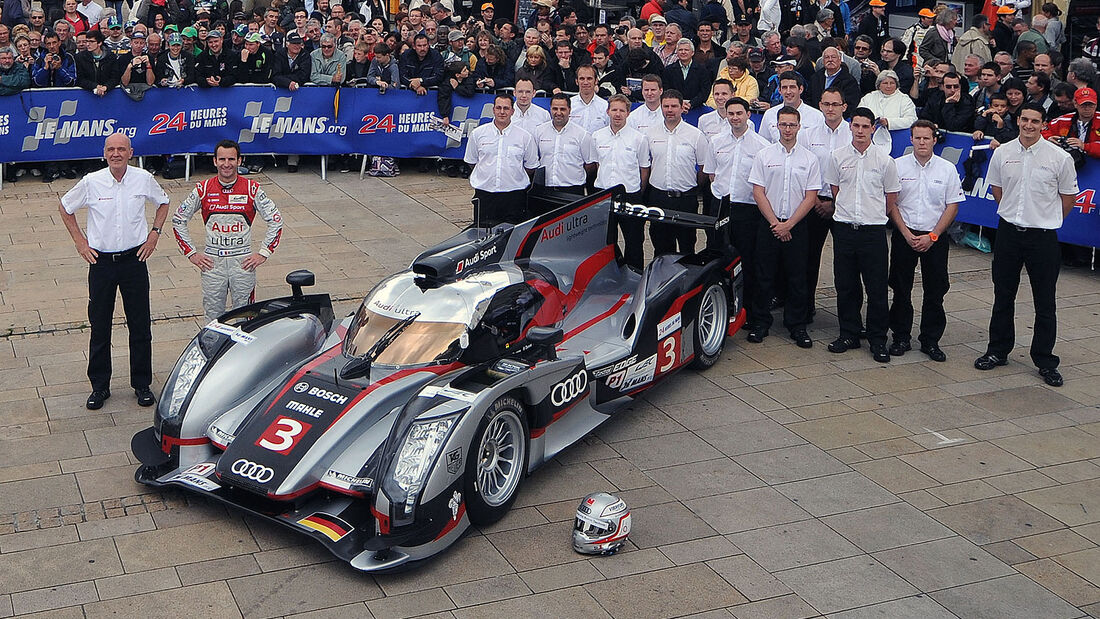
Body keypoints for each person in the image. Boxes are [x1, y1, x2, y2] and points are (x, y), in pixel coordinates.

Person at [59, 134, 170, 411]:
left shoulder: (142, 178)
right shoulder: (91, 182)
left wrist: (154, 235)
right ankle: (100, 386)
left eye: (121, 149)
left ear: (130, 152)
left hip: (134, 260)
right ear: (104, 153)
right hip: (101, 264)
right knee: (99, 326)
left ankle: (142, 384)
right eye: (111, 149)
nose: (116, 153)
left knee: (140, 325)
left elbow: (164, 202)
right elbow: (65, 207)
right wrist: (80, 242)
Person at [975, 103, 1079, 386]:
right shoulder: (1003, 153)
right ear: (1017, 120)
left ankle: (1045, 359)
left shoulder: (1059, 158)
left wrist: (1046, 218)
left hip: (1042, 236)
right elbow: (997, 190)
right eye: (1024, 120)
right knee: (1003, 295)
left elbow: (1068, 197)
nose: (1029, 125)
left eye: (1035, 121)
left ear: (1043, 124)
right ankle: (998, 350)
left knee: (1044, 301)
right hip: (1009, 232)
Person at [172, 140, 283, 322]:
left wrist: (263, 253)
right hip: (212, 264)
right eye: (222, 159)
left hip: (242, 262)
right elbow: (178, 219)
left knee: (247, 318)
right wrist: (191, 253)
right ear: (214, 161)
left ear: (240, 161)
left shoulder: (251, 188)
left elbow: (276, 220)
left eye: (231, 159)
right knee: (213, 319)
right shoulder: (203, 188)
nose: (226, 164)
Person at [823, 107, 900, 363]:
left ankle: (878, 339)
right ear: (850, 127)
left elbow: (891, 196)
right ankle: (849, 333)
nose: (859, 131)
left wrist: (872, 214)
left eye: (865, 127)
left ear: (872, 129)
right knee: (846, 285)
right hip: (844, 228)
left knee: (876, 288)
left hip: (873, 230)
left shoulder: (884, 160)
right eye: (855, 126)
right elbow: (836, 189)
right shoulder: (837, 156)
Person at [886, 120, 962, 362]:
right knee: (900, 289)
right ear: (911, 139)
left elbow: (952, 206)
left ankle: (930, 341)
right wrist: (906, 233)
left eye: (926, 138)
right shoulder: (897, 166)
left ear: (934, 140)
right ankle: (900, 337)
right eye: (917, 138)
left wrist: (933, 236)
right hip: (904, 234)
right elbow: (892, 204)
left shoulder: (947, 169)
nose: (921, 142)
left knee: (935, 291)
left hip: (934, 237)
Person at [745, 105, 821, 347]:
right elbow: (758, 191)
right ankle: (760, 323)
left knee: (797, 276)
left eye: (792, 124)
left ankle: (797, 326)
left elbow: (811, 196)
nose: (787, 129)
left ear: (799, 127)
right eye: (783, 124)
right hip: (769, 223)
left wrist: (789, 224)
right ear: (776, 126)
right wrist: (775, 223)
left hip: (796, 225)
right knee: (763, 275)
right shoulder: (764, 156)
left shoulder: (810, 159)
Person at [703, 96, 770, 327]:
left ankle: (748, 311)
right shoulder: (717, 142)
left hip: (747, 208)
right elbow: (712, 174)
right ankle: (721, 306)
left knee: (747, 261)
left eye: (739, 113)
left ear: (748, 115)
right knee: (718, 257)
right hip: (720, 205)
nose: (734, 118)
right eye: (731, 114)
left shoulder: (761, 146)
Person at [802, 87, 851, 318]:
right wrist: (814, 202)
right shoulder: (808, 134)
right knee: (808, 258)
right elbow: (802, 170)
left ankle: (847, 314)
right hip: (813, 203)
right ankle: (806, 307)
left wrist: (835, 203)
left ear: (844, 107)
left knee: (845, 262)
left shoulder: (853, 133)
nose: (830, 109)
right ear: (820, 105)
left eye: (835, 104)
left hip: (843, 205)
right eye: (826, 104)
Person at [644, 89, 709, 255]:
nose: (670, 110)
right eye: (666, 106)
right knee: (661, 247)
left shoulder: (695, 135)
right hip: (658, 198)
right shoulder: (650, 133)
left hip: (685, 199)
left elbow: (703, 168)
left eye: (674, 106)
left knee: (687, 246)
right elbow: (646, 163)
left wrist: (692, 187)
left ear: (682, 108)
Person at [594, 94, 651, 270]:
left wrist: (637, 192)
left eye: (621, 110)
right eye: (614, 110)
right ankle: (610, 276)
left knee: (634, 242)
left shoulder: (638, 138)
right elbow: (595, 164)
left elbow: (644, 169)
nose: (617, 114)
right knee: (604, 242)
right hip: (604, 196)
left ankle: (634, 279)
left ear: (628, 113)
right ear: (607, 111)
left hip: (630, 196)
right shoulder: (597, 136)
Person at [463, 93, 539, 227]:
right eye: (498, 108)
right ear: (493, 110)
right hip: (485, 196)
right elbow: (472, 161)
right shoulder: (478, 134)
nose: (502, 112)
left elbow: (531, 166)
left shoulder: (524, 137)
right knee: (483, 237)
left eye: (506, 108)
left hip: (514, 197)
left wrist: (512, 178)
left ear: (512, 111)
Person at [533, 93, 596, 198]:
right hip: (546, 189)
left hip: (573, 190)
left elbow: (590, 165)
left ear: (569, 110)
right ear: (550, 109)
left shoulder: (582, 134)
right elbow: (535, 159)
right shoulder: (539, 131)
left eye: (562, 109)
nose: (558, 112)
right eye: (555, 109)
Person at [760, 72, 824, 142]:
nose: (788, 92)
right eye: (784, 88)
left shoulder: (817, 116)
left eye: (792, 87)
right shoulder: (770, 114)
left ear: (801, 89)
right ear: (779, 90)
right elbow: (764, 142)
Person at [1043, 87, 1100, 158]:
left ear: (1096, 104)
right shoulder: (1062, 120)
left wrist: (1084, 146)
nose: (1087, 108)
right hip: (1067, 160)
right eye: (1083, 105)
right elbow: (1042, 132)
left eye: (1091, 105)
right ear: (1075, 104)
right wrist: (1049, 138)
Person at [662, 38, 710, 110]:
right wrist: (679, 103)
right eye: (680, 50)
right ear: (677, 52)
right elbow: (666, 90)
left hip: (696, 107)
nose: (683, 52)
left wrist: (691, 104)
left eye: (686, 50)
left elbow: (704, 91)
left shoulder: (702, 70)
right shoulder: (668, 70)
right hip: (674, 107)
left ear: (692, 52)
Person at [570, 64, 610, 134]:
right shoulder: (569, 104)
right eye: (582, 79)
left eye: (589, 78)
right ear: (576, 81)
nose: (585, 82)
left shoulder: (605, 106)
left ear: (596, 81)